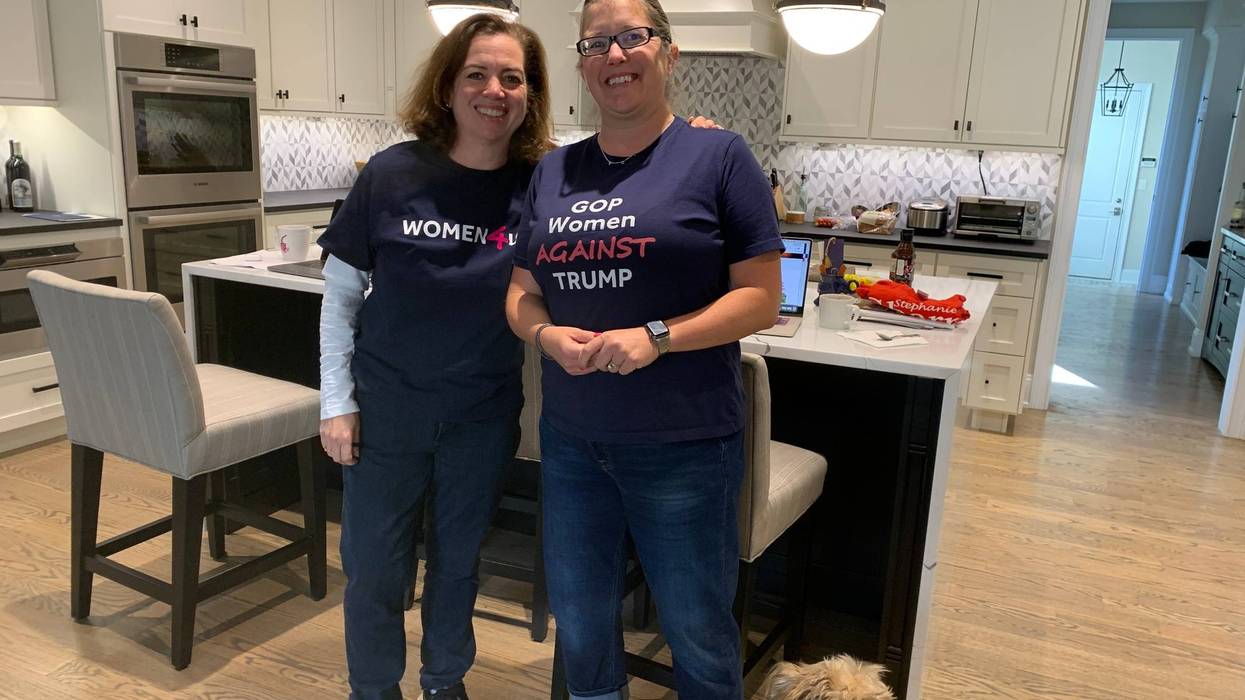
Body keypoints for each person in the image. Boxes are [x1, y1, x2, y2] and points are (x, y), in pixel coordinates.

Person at [504, 0, 784, 698]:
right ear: (581, 63)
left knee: (695, 629)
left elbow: (760, 296)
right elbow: (519, 291)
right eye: (596, 43)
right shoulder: (552, 171)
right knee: (581, 621)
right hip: (572, 441)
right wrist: (541, 332)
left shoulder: (719, 155)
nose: (614, 55)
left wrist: (659, 336)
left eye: (633, 37)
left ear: (667, 53)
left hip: (684, 442)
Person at [315, 14, 556, 700]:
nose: (494, 89)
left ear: (529, 93)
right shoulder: (392, 174)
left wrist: (687, 139)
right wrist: (337, 403)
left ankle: (444, 682)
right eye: (476, 73)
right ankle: (374, 688)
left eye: (512, 77)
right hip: (387, 409)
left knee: (457, 566)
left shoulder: (539, 185)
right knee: (374, 568)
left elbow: (618, 191)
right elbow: (340, 300)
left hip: (482, 414)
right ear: (447, 86)